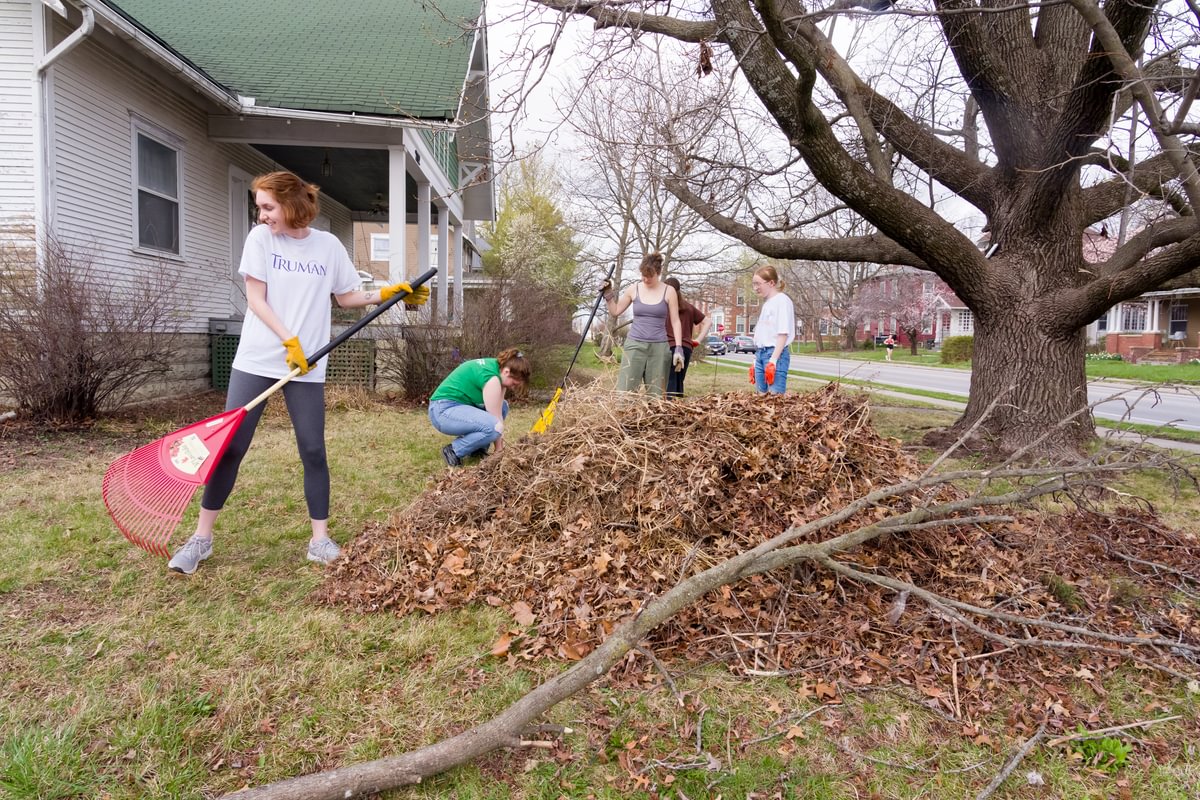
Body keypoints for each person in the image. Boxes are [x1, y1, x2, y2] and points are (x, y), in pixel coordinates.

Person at [167, 170, 430, 575]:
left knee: (312, 449)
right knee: (231, 447)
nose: (262, 216)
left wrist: (389, 292)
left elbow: (346, 296)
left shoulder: (327, 246)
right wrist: (289, 339)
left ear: (291, 204)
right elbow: (256, 298)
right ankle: (201, 538)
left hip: (306, 365)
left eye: (268, 207)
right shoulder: (261, 241)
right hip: (258, 358)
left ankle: (319, 541)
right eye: (259, 208)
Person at [429, 348, 531, 466]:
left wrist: (499, 450)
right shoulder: (492, 379)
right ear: (507, 372)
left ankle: (477, 449)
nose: (513, 387)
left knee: (503, 406)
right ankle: (453, 450)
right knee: (494, 428)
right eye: (514, 383)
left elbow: (498, 410)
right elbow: (496, 422)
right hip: (442, 411)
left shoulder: (498, 369)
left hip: (458, 407)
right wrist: (500, 452)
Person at [601, 252, 684, 396]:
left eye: (649, 276)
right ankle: (625, 417)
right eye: (643, 275)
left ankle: (654, 418)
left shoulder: (669, 291)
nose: (645, 279)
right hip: (635, 345)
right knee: (625, 392)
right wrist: (608, 293)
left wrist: (678, 348)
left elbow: (676, 321)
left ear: (658, 273)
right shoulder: (634, 289)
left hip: (659, 347)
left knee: (657, 395)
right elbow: (615, 310)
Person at [663, 276, 711, 398]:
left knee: (670, 380)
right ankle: (678, 408)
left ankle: (669, 408)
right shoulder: (689, 307)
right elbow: (708, 322)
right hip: (686, 348)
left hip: (669, 346)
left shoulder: (664, 307)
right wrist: (698, 340)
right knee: (679, 380)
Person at [751, 265, 796, 394]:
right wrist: (755, 360)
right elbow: (763, 334)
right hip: (761, 354)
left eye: (758, 284)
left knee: (774, 401)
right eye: (753, 284)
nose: (755, 288)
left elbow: (783, 333)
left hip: (775, 355)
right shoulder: (767, 303)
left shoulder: (782, 301)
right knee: (761, 400)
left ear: (771, 283)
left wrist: (773, 361)